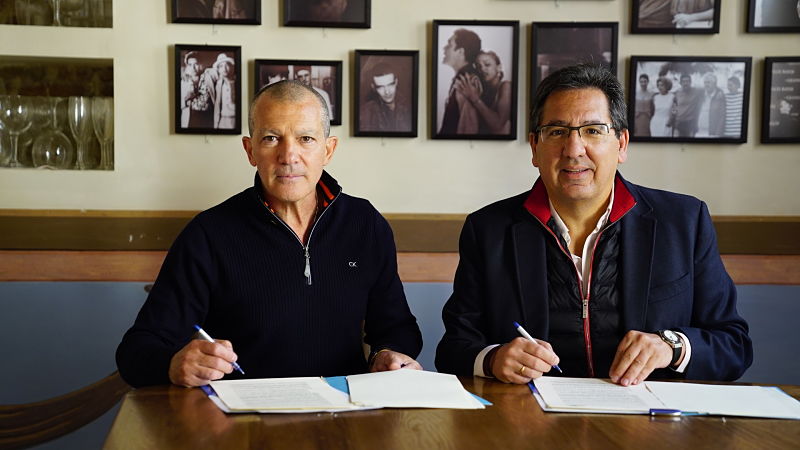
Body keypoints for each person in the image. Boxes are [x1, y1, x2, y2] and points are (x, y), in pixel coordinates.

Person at [435, 63, 752, 386]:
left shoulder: (684, 221)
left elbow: (734, 346)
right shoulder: (488, 229)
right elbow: (452, 349)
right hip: (530, 422)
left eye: (593, 130)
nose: (574, 150)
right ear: (534, 147)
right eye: (557, 132)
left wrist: (671, 346)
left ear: (622, 143)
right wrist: (492, 358)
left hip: (652, 425)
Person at [117, 80, 423, 388]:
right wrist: (174, 364)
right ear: (250, 151)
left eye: (306, 138)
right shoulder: (208, 235)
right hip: (242, 422)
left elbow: (398, 328)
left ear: (328, 150)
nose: (288, 156)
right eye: (271, 138)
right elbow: (137, 350)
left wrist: (386, 355)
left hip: (345, 414)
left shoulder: (365, 224)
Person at [454, 50, 512, 135]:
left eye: (487, 64)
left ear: (499, 67)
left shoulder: (506, 86)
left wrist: (474, 98)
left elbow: (498, 124)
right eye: (478, 66)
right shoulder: (481, 90)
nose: (482, 69)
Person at [439, 28, 482, 135]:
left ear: (460, 52)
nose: (444, 48)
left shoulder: (467, 81)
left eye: (449, 45)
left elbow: (468, 128)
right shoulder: (462, 77)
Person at [360, 63, 411, 132]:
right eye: (381, 87)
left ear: (396, 82)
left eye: (390, 85)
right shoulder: (366, 112)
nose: (387, 92)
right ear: (373, 87)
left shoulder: (410, 105)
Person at [695, 73, 725, 138]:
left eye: (708, 82)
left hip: (712, 133)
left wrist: (717, 134)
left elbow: (722, 117)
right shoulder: (701, 95)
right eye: (705, 82)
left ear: (714, 84)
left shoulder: (719, 97)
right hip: (699, 132)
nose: (706, 84)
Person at [672, 73, 702, 138]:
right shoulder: (677, 93)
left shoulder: (696, 92)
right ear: (680, 83)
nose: (686, 83)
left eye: (687, 81)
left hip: (690, 123)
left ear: (690, 82)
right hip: (679, 123)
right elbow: (674, 107)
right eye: (683, 81)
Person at [212, 53, 236, 129]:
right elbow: (217, 104)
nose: (224, 69)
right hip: (223, 119)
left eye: (227, 65)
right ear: (218, 69)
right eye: (221, 66)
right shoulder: (219, 84)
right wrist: (216, 123)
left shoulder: (236, 82)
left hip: (234, 119)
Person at [180, 51, 203, 128]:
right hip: (188, 120)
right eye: (190, 65)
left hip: (203, 120)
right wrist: (185, 100)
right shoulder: (183, 82)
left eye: (195, 64)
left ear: (200, 65)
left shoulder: (206, 78)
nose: (193, 68)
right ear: (187, 66)